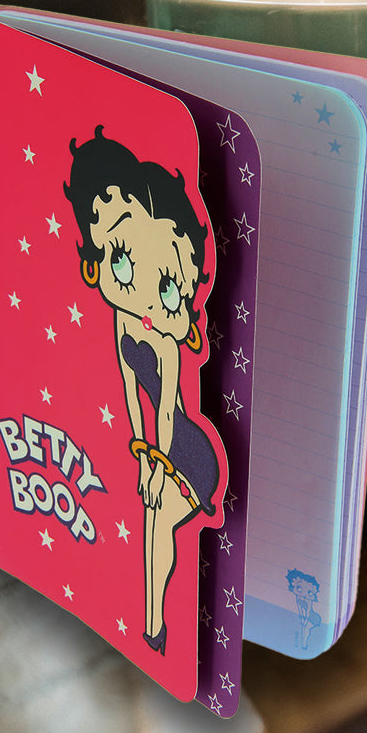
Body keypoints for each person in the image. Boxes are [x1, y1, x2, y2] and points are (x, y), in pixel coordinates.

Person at [64, 127, 227, 656]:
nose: (147, 293)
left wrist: (158, 465)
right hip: (156, 445)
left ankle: (156, 628)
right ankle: (153, 626)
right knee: (153, 520)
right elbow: (133, 393)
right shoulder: (123, 320)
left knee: (157, 522)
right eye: (121, 261)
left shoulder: (167, 345)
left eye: (170, 287)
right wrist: (142, 459)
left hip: (188, 451)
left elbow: (167, 412)